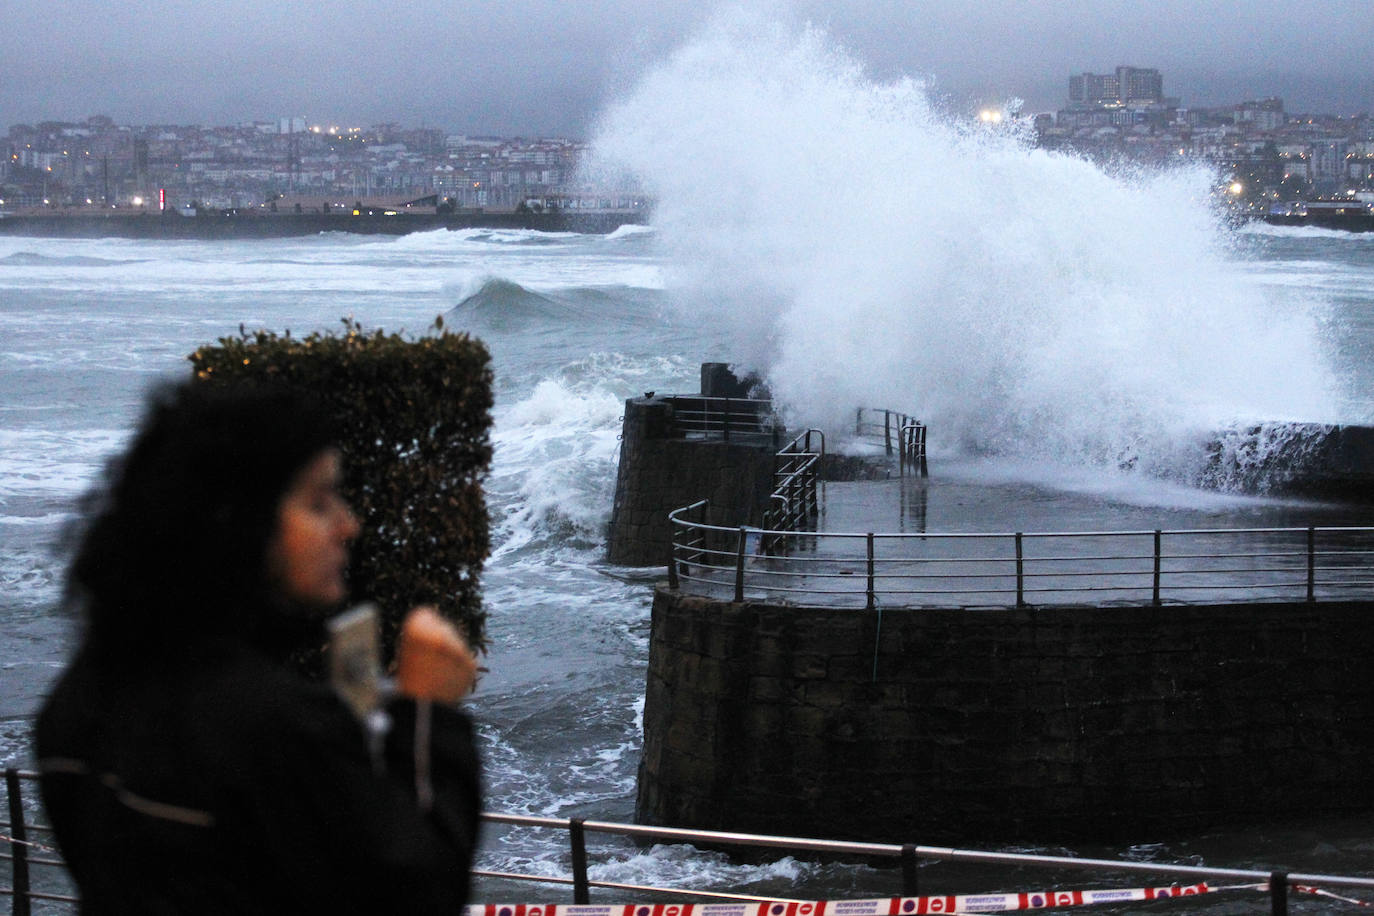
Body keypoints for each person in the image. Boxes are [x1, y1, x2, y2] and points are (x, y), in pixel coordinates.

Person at [35, 380, 482, 914]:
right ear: (237, 521)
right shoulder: (277, 728)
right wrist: (429, 716)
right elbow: (418, 891)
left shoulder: (78, 700)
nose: (348, 524)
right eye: (318, 503)